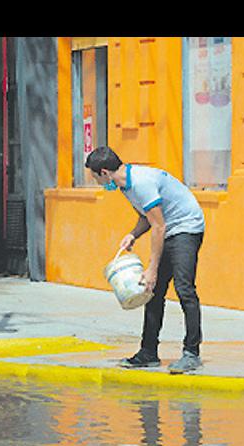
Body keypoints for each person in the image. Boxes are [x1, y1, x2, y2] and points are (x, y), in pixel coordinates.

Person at [85, 146, 206, 373]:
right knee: (153, 291)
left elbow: (159, 226)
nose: (97, 182)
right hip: (169, 227)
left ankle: (192, 353)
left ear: (104, 172)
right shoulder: (126, 185)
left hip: (186, 227)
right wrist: (133, 234)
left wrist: (152, 267)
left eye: (95, 177)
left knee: (184, 288)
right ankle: (148, 352)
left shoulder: (140, 183)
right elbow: (147, 217)